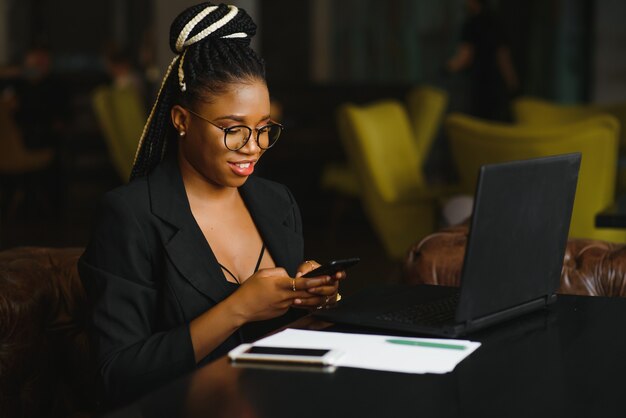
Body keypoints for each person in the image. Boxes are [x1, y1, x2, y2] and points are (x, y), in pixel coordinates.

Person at [78, 2, 345, 407]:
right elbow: (116, 375)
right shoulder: (131, 216)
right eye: (233, 129)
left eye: (263, 129)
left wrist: (309, 296)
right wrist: (237, 309)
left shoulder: (277, 203)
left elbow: (281, 340)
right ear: (182, 120)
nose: (252, 148)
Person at [446, 0, 519, 121]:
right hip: (496, 83)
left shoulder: (471, 24)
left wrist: (447, 68)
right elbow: (503, 57)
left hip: (478, 83)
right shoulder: (496, 22)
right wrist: (512, 82)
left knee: (477, 122)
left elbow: (465, 56)